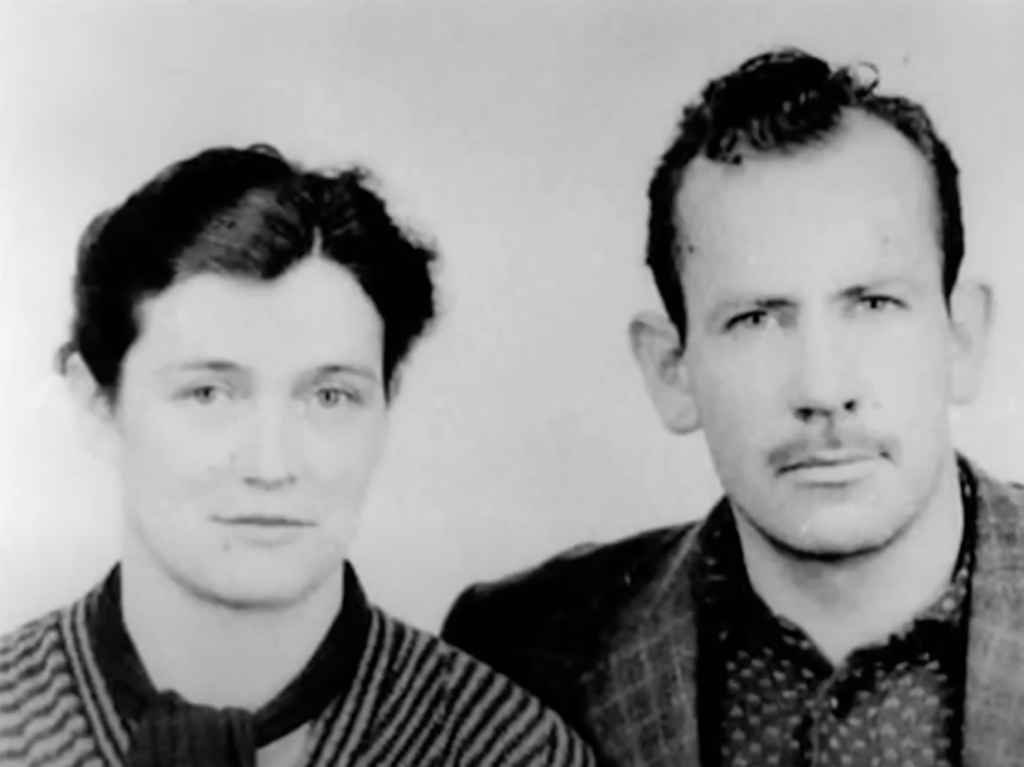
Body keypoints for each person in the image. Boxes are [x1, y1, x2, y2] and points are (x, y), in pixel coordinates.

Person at [442, 47, 1022, 766]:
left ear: (961, 336)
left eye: (874, 303)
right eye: (756, 318)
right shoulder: (516, 654)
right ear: (671, 369)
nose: (821, 387)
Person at [0, 145, 596, 767]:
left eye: (330, 396)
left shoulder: (511, 752)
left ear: (387, 404)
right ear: (97, 405)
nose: (271, 464)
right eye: (208, 393)